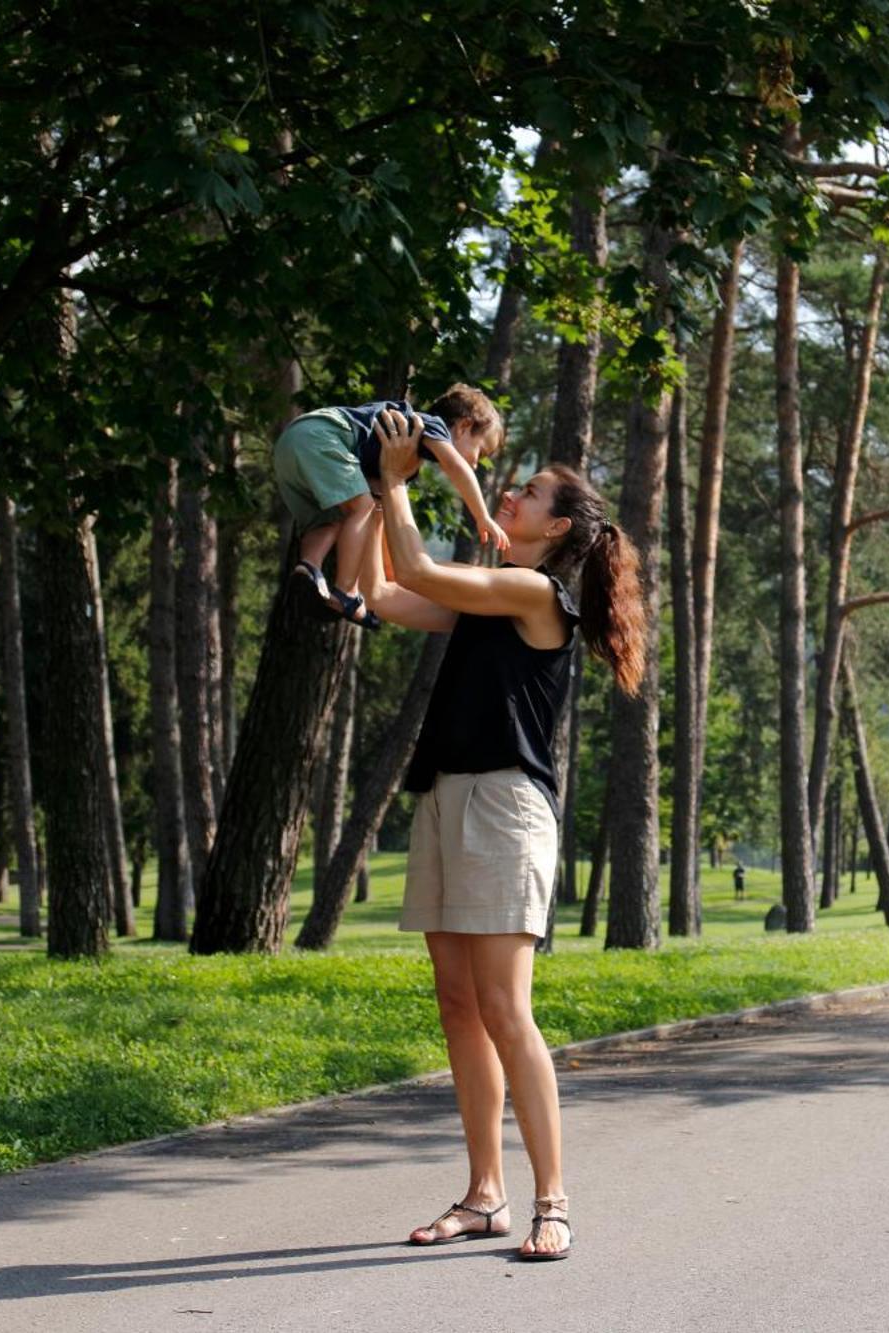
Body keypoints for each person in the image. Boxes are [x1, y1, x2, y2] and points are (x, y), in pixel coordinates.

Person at [361, 409, 647, 1262]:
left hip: (506, 808)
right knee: (458, 1007)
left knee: (504, 1008)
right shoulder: (485, 597)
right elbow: (382, 590)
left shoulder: (535, 594)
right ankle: (485, 1195)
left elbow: (414, 562)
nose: (509, 493)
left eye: (526, 492)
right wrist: (364, 494)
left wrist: (399, 479)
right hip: (447, 797)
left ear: (556, 526)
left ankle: (551, 1201)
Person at [271, 385, 510, 629]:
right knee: (360, 509)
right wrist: (482, 516)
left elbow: (379, 495)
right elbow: (458, 469)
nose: (475, 466)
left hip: (291, 442)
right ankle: (346, 591)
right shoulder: (430, 425)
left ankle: (309, 566)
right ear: (464, 426)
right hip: (323, 436)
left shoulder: (400, 445)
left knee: (330, 519)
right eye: (479, 454)